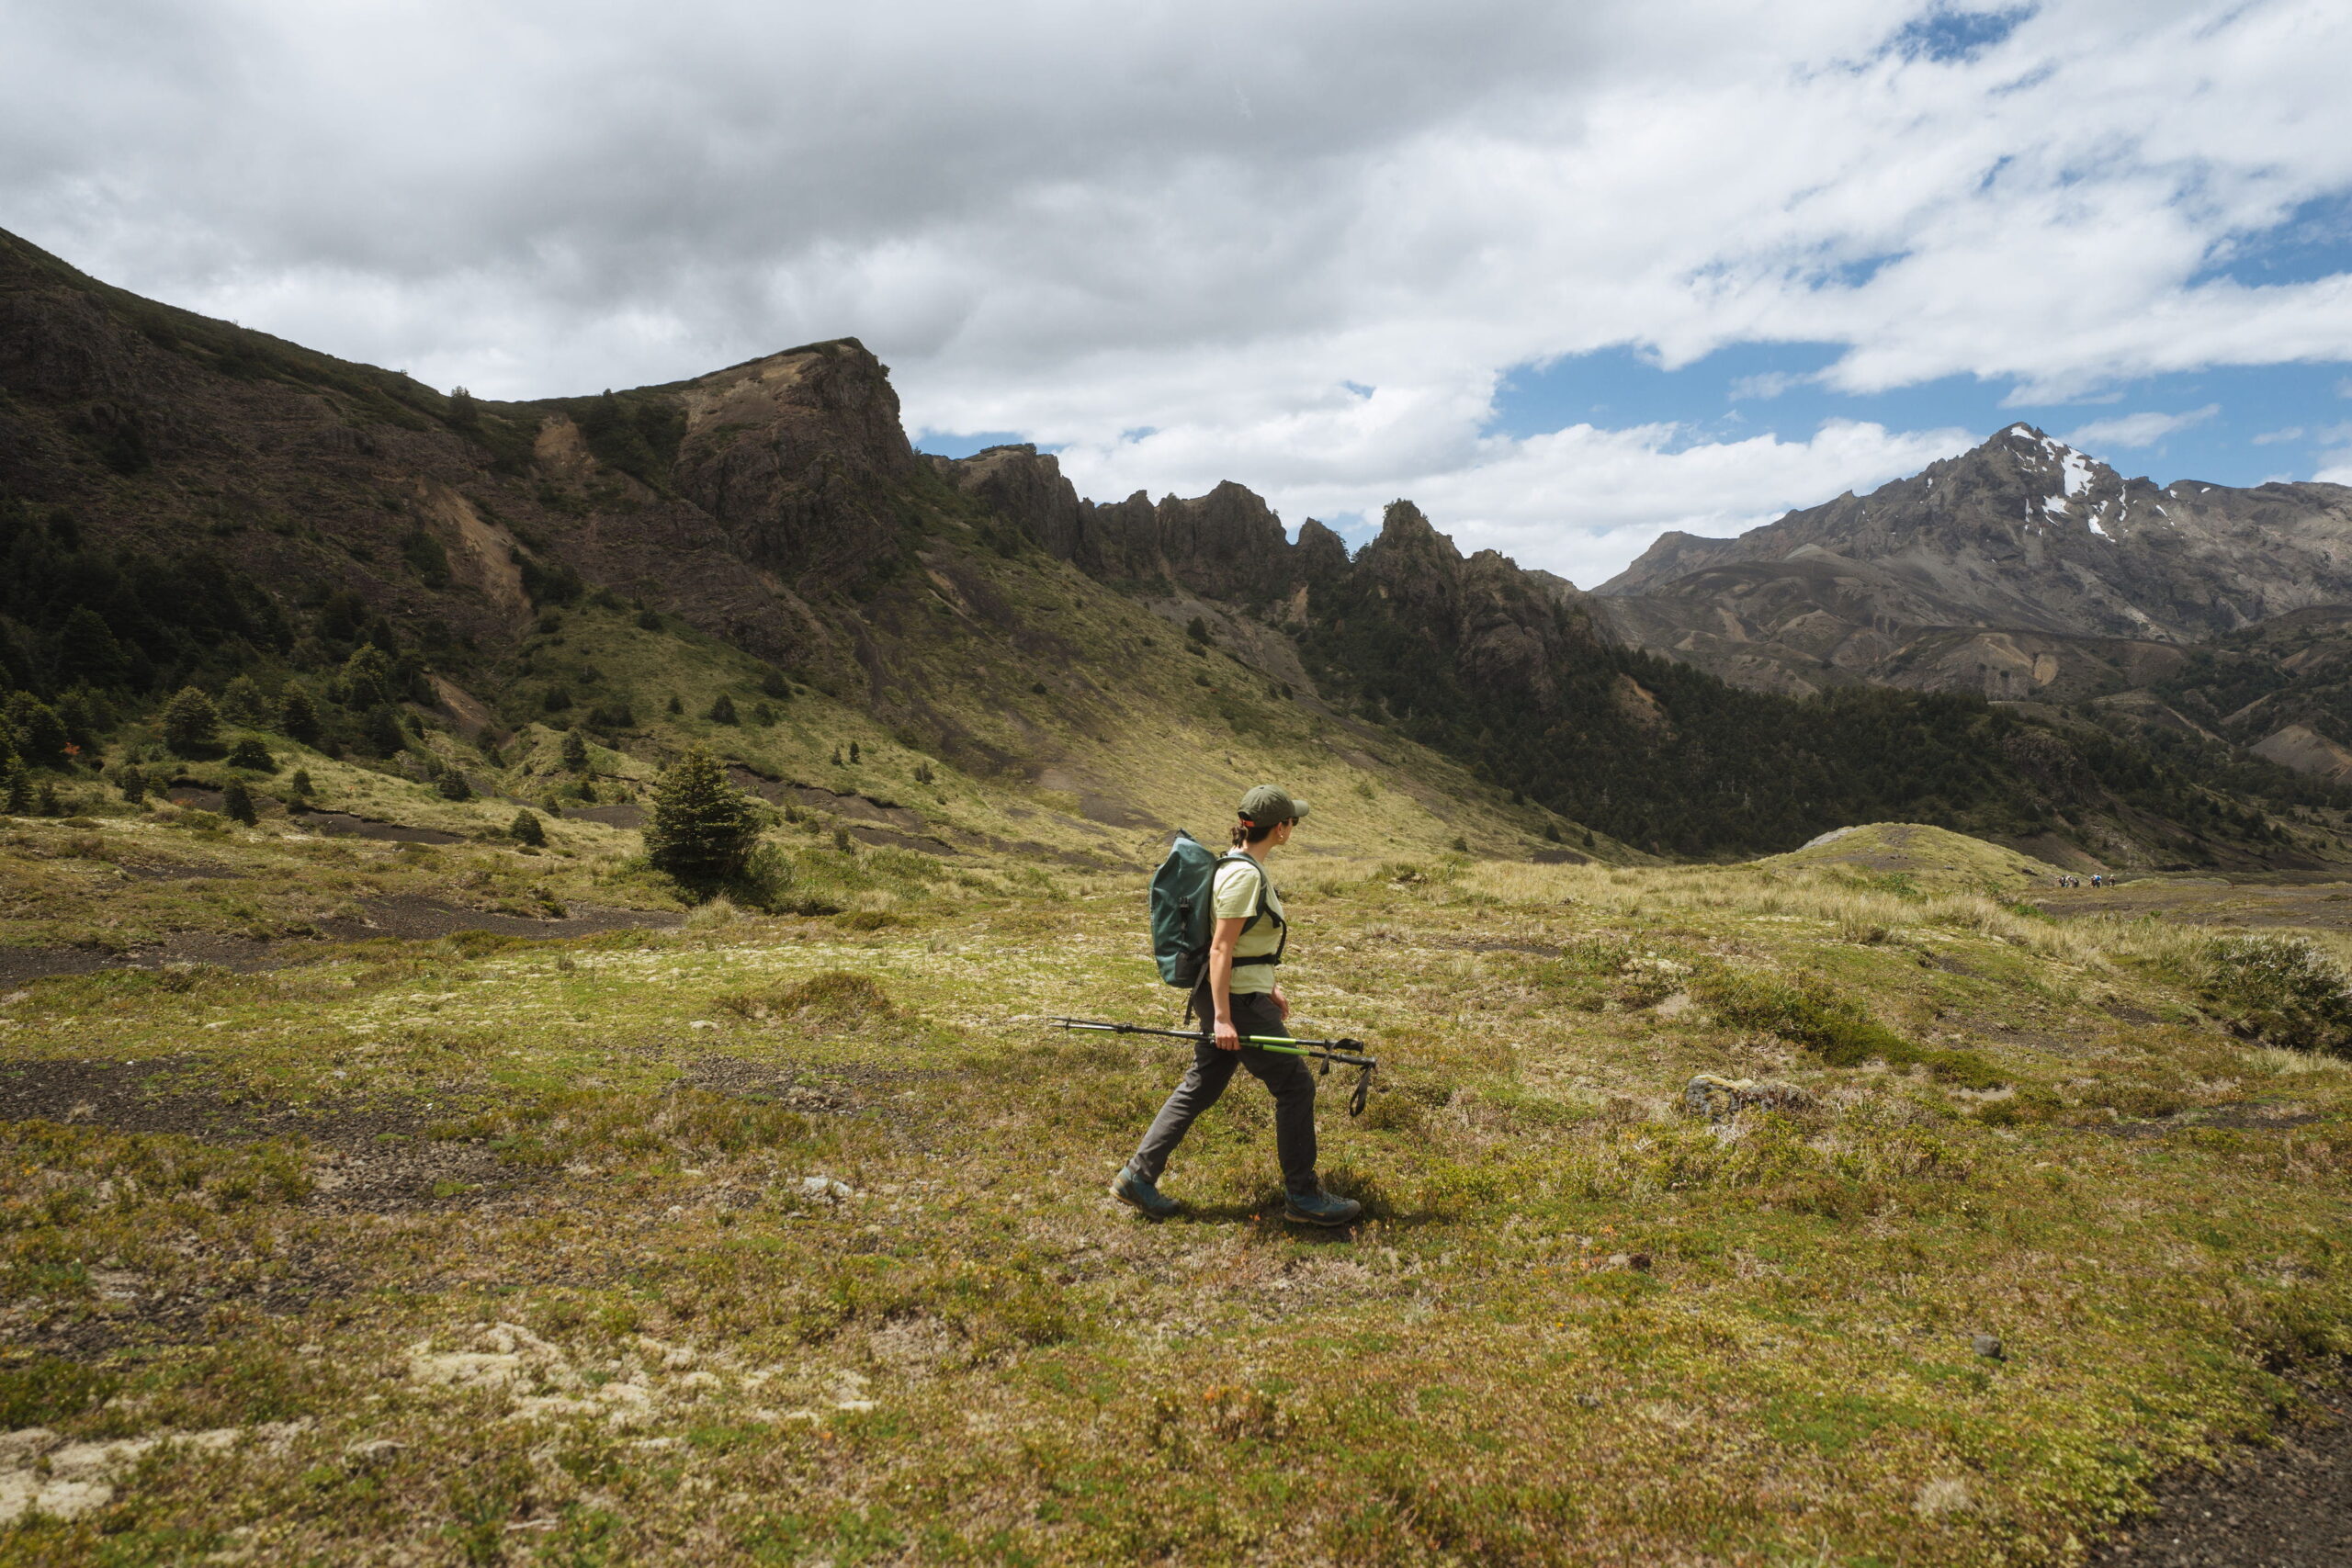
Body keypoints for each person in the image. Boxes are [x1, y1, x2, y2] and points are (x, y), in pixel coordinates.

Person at [1112, 785, 1363, 1226]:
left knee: (1202, 1084)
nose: (1293, 828)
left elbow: (1240, 946)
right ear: (1280, 829)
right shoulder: (1245, 876)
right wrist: (1226, 1017)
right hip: (1235, 1002)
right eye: (1292, 822)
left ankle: (1138, 1176)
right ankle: (1303, 1198)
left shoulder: (1233, 864)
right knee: (1296, 1087)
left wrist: (1268, 984)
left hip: (1239, 993)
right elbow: (1221, 949)